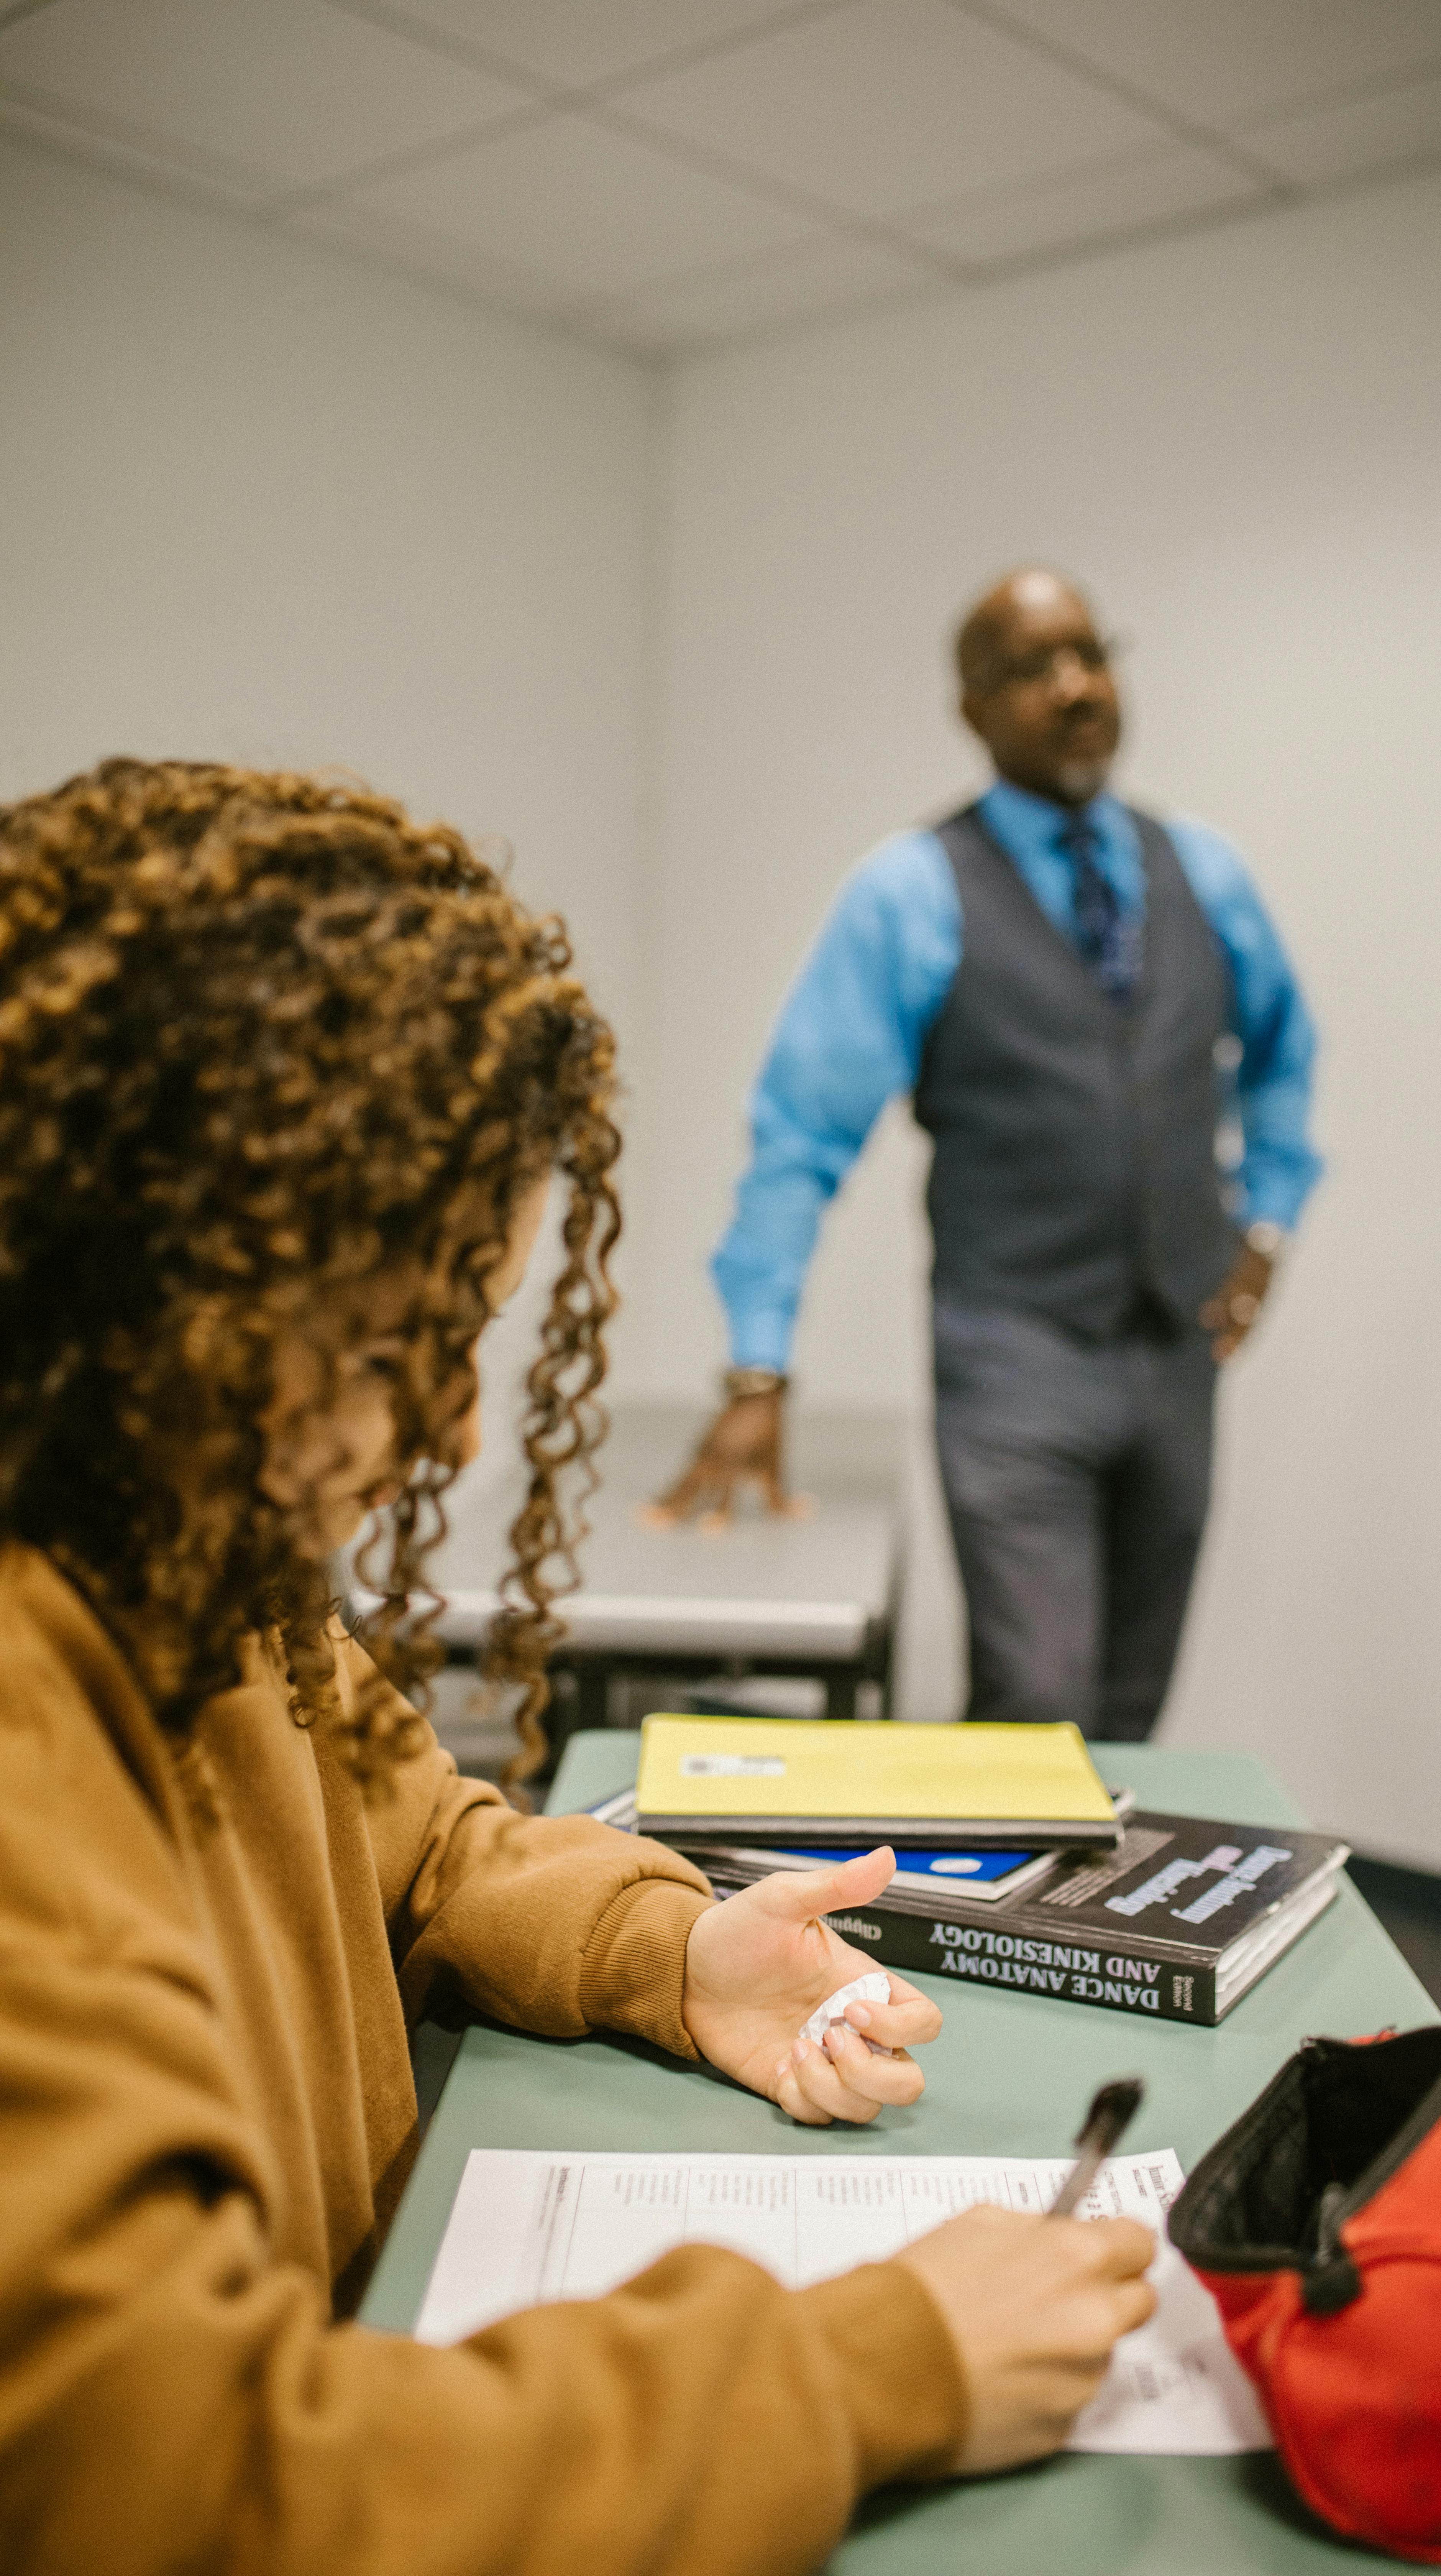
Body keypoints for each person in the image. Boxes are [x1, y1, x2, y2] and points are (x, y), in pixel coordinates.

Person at [0, 760, 1157, 2576]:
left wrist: (670, 1950)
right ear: (158, 1291)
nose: (457, 1429)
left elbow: (427, 1839)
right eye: (398, 1342)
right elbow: (202, 2491)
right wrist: (878, 2365)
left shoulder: (198, 1560)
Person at [656, 569, 1323, 1741]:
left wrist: (1264, 1229)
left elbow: (1285, 1057)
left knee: (1128, 1712)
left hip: (1178, 1352)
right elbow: (801, 1136)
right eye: (1029, 668)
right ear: (971, 709)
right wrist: (758, 1369)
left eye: (1088, 654)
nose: (1072, 688)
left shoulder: (1202, 871)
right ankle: (982, 1928)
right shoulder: (912, 893)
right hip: (1012, 1352)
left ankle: (1095, 1933)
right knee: (1035, 1700)